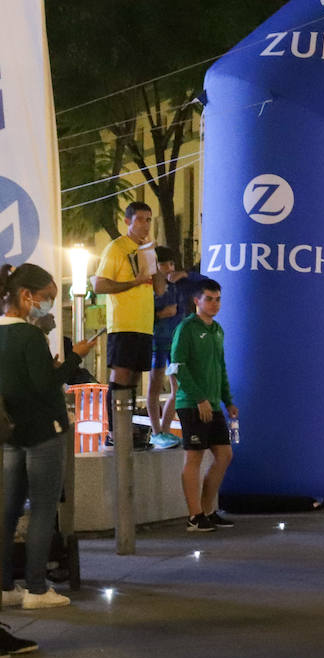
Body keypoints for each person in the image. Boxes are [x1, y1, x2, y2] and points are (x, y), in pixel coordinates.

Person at [0, 263, 100, 615]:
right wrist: (76, 357)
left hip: (11, 434)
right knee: (43, 509)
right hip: (44, 431)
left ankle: (5, 586)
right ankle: (37, 588)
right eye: (46, 299)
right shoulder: (28, 336)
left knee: (8, 510)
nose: (48, 306)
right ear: (26, 296)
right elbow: (45, 385)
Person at [93, 201, 165, 447]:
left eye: (149, 219)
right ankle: (113, 431)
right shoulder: (117, 248)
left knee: (133, 377)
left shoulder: (147, 250)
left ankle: (127, 428)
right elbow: (99, 285)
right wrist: (133, 282)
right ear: (128, 221)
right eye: (141, 219)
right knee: (121, 374)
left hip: (144, 324)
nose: (145, 224)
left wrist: (158, 265)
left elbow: (160, 288)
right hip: (123, 323)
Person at [171, 279, 237, 533]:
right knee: (194, 457)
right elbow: (177, 366)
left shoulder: (218, 330)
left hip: (213, 404)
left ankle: (208, 511)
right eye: (209, 299)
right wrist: (199, 398)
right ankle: (194, 516)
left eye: (218, 299)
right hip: (191, 403)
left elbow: (220, 368)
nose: (214, 303)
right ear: (196, 301)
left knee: (224, 455)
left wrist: (228, 401)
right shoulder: (186, 328)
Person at [148, 246, 188, 448]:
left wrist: (185, 274)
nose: (169, 268)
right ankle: (156, 433)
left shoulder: (178, 286)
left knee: (177, 387)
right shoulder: (149, 287)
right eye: (164, 264)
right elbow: (142, 315)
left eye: (172, 264)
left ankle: (165, 430)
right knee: (154, 385)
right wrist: (161, 314)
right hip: (156, 343)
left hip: (175, 345)